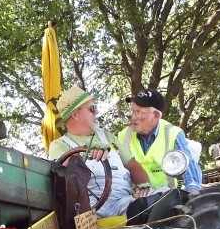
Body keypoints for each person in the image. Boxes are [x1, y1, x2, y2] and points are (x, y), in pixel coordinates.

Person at [48, 86, 151, 219]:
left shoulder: (107, 136)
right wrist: (88, 151)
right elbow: (67, 169)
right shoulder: (59, 145)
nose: (96, 112)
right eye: (91, 109)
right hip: (94, 209)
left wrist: (144, 186)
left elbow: (132, 165)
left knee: (167, 197)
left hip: (127, 202)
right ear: (75, 114)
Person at [118, 89, 203, 195]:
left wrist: (193, 191)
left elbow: (188, 167)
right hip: (134, 199)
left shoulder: (173, 133)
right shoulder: (123, 136)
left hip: (167, 197)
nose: (133, 117)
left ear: (156, 116)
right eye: (133, 111)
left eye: (139, 112)